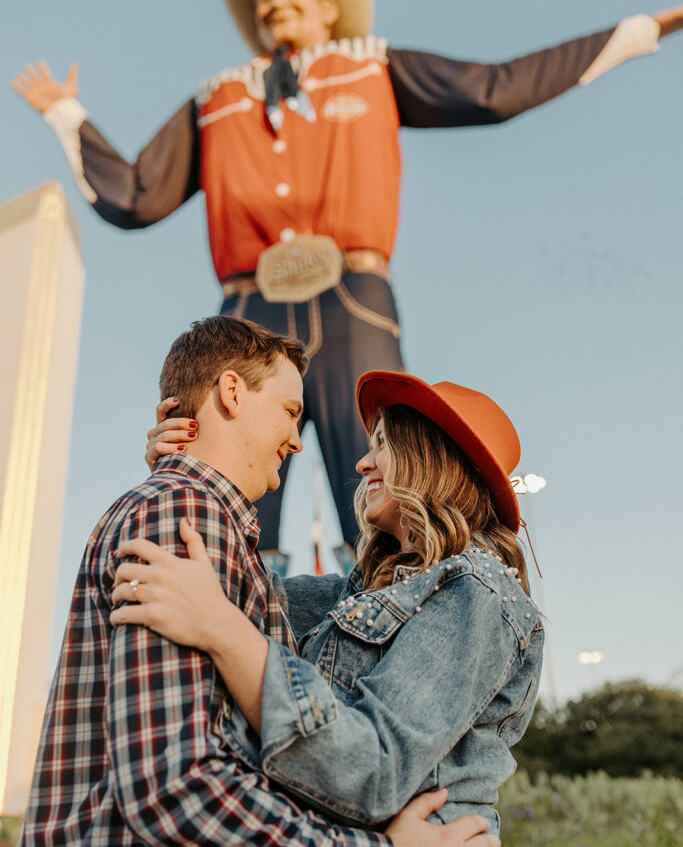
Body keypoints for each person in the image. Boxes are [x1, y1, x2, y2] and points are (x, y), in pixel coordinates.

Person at [12, 0, 682, 565]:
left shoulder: (372, 66)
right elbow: (136, 196)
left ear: (328, 8)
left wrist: (639, 31)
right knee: (230, 486)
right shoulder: (216, 99)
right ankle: (232, 631)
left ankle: (382, 618)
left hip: (351, 296)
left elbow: (493, 89)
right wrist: (66, 113)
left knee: (378, 475)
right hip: (249, 309)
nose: (274, 1)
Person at [18, 316, 499, 847]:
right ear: (231, 392)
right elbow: (176, 787)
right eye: (291, 412)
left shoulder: (203, 525)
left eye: (380, 445)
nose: (297, 440)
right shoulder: (183, 515)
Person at [110, 367, 543, 837]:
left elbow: (374, 770)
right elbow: (230, 581)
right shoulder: (353, 596)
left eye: (382, 445)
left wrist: (223, 630)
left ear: (431, 457)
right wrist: (190, 470)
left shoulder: (477, 592)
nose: (363, 464)